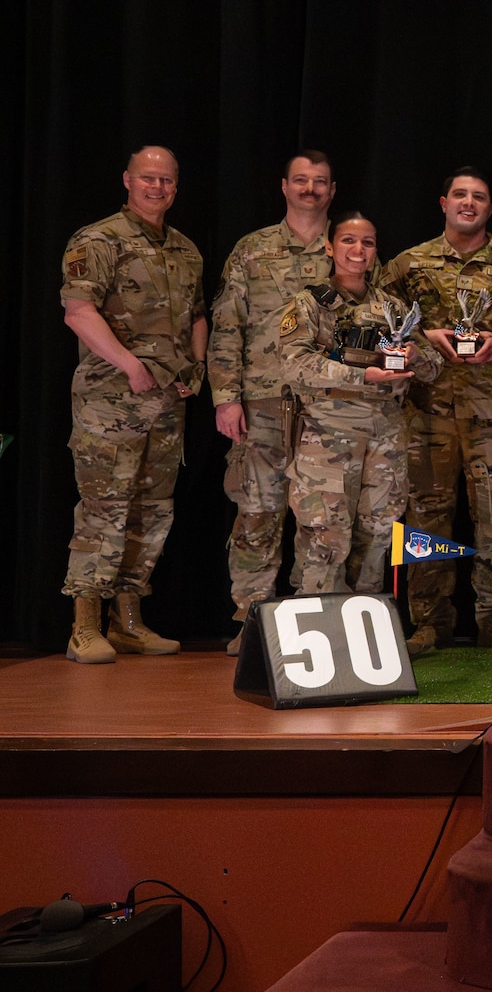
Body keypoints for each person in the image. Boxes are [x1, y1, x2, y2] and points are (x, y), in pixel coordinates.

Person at [58, 147, 207, 664]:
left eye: (167, 180)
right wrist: (129, 364)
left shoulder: (186, 250)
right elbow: (78, 312)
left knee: (152, 510)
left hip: (167, 403)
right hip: (111, 401)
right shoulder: (97, 239)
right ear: (127, 179)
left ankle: (128, 621)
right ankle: (84, 626)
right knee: (103, 507)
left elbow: (198, 315)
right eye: (148, 178)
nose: (158, 187)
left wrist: (196, 366)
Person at [380, 167, 492, 654]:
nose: (469, 203)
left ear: (491, 208)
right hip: (427, 414)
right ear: (443, 202)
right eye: (460, 195)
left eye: (479, 197)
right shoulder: (408, 265)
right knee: (426, 523)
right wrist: (423, 338)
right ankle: (429, 622)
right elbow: (375, 328)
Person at [278, 212, 443, 597]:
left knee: (378, 534)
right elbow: (294, 364)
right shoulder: (309, 304)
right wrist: (363, 376)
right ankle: (317, 629)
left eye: (367, 243)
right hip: (327, 436)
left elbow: (433, 370)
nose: (358, 249)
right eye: (349, 241)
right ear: (330, 247)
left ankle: (364, 633)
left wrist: (415, 355)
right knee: (326, 535)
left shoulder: (393, 309)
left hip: (384, 436)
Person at [211, 150, 335, 653]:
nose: (310, 189)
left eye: (319, 182)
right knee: (257, 513)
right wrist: (225, 398)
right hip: (261, 402)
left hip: (326, 407)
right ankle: (253, 620)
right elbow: (226, 327)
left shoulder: (347, 247)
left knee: (319, 516)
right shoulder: (252, 250)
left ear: (332, 189)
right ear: (284, 186)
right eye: (301, 181)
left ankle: (310, 620)